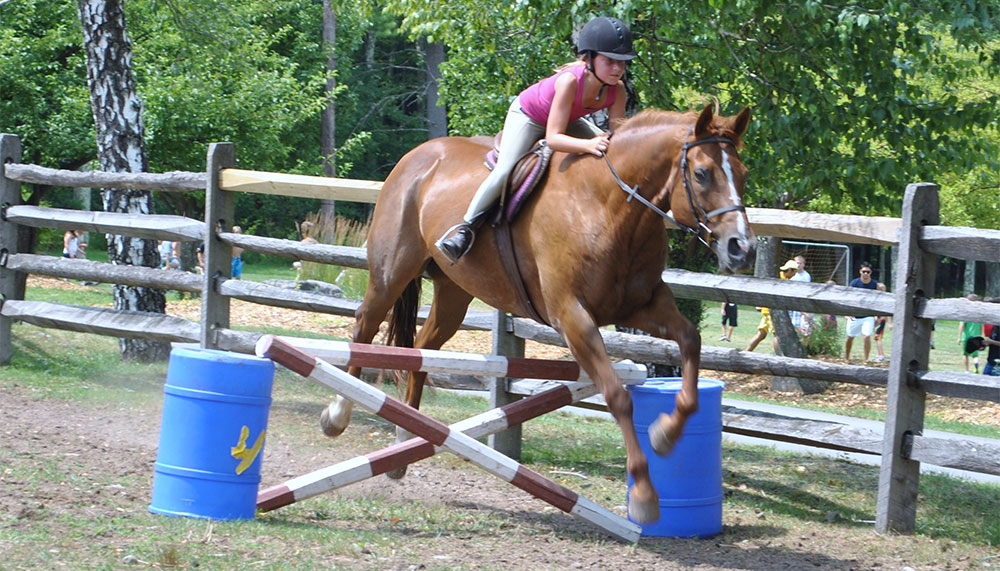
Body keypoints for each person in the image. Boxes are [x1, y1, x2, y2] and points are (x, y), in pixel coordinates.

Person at [435, 16, 634, 264]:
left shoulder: (618, 89)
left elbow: (616, 135)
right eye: (610, 61)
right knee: (506, 169)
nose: (618, 69)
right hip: (529, 116)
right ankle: (464, 229)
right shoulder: (570, 81)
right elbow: (553, 139)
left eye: (623, 63)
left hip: (567, 117)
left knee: (610, 152)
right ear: (589, 59)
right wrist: (589, 144)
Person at [745, 261, 798, 352]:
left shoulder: (780, 277)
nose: (794, 274)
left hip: (767, 310)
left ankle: (746, 351)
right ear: (789, 270)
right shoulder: (781, 280)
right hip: (771, 311)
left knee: (761, 334)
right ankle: (778, 356)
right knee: (777, 335)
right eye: (794, 272)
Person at [845, 261, 878, 361]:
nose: (866, 274)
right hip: (855, 315)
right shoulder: (854, 283)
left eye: (868, 272)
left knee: (867, 336)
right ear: (860, 272)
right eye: (864, 271)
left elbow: (878, 299)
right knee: (850, 337)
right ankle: (846, 357)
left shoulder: (874, 284)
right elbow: (848, 297)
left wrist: (877, 315)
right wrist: (847, 312)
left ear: (871, 273)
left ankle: (866, 360)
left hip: (868, 315)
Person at [788, 257, 813, 340]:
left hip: (800, 305)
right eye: (796, 263)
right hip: (792, 304)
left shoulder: (805, 276)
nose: (798, 265)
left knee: (802, 327)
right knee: (793, 325)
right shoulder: (792, 275)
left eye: (800, 263)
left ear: (804, 264)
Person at [958, 293, 984, 373]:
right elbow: (981, 326)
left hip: (966, 337)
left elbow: (962, 325)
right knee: (975, 355)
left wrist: (959, 337)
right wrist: (980, 336)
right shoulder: (979, 314)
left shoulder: (966, 313)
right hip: (976, 336)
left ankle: (967, 370)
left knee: (965, 354)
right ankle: (976, 366)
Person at [872, 282, 892, 363]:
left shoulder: (883, 299)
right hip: (878, 320)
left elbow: (887, 312)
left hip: (880, 321)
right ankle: (879, 354)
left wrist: (890, 323)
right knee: (877, 338)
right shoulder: (877, 298)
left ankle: (881, 356)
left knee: (878, 338)